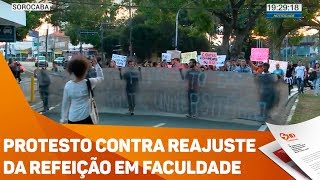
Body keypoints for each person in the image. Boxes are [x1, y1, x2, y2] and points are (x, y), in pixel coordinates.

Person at [60, 55, 104, 124]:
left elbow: (65, 103)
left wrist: (63, 119)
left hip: (72, 118)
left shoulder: (68, 86)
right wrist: (96, 65)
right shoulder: (89, 83)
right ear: (85, 71)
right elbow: (101, 78)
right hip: (87, 118)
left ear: (72, 71)